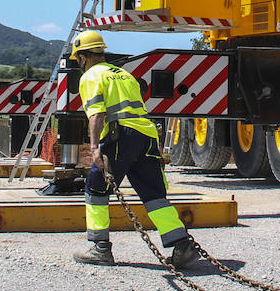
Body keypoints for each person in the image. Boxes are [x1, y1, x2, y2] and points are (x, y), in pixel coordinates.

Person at [70, 29, 199, 270]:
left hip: (121, 136)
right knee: (153, 194)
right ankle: (181, 244)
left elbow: (96, 113)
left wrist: (95, 147)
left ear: (82, 57)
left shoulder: (90, 76)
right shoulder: (124, 75)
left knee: (96, 187)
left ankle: (99, 248)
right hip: (147, 135)